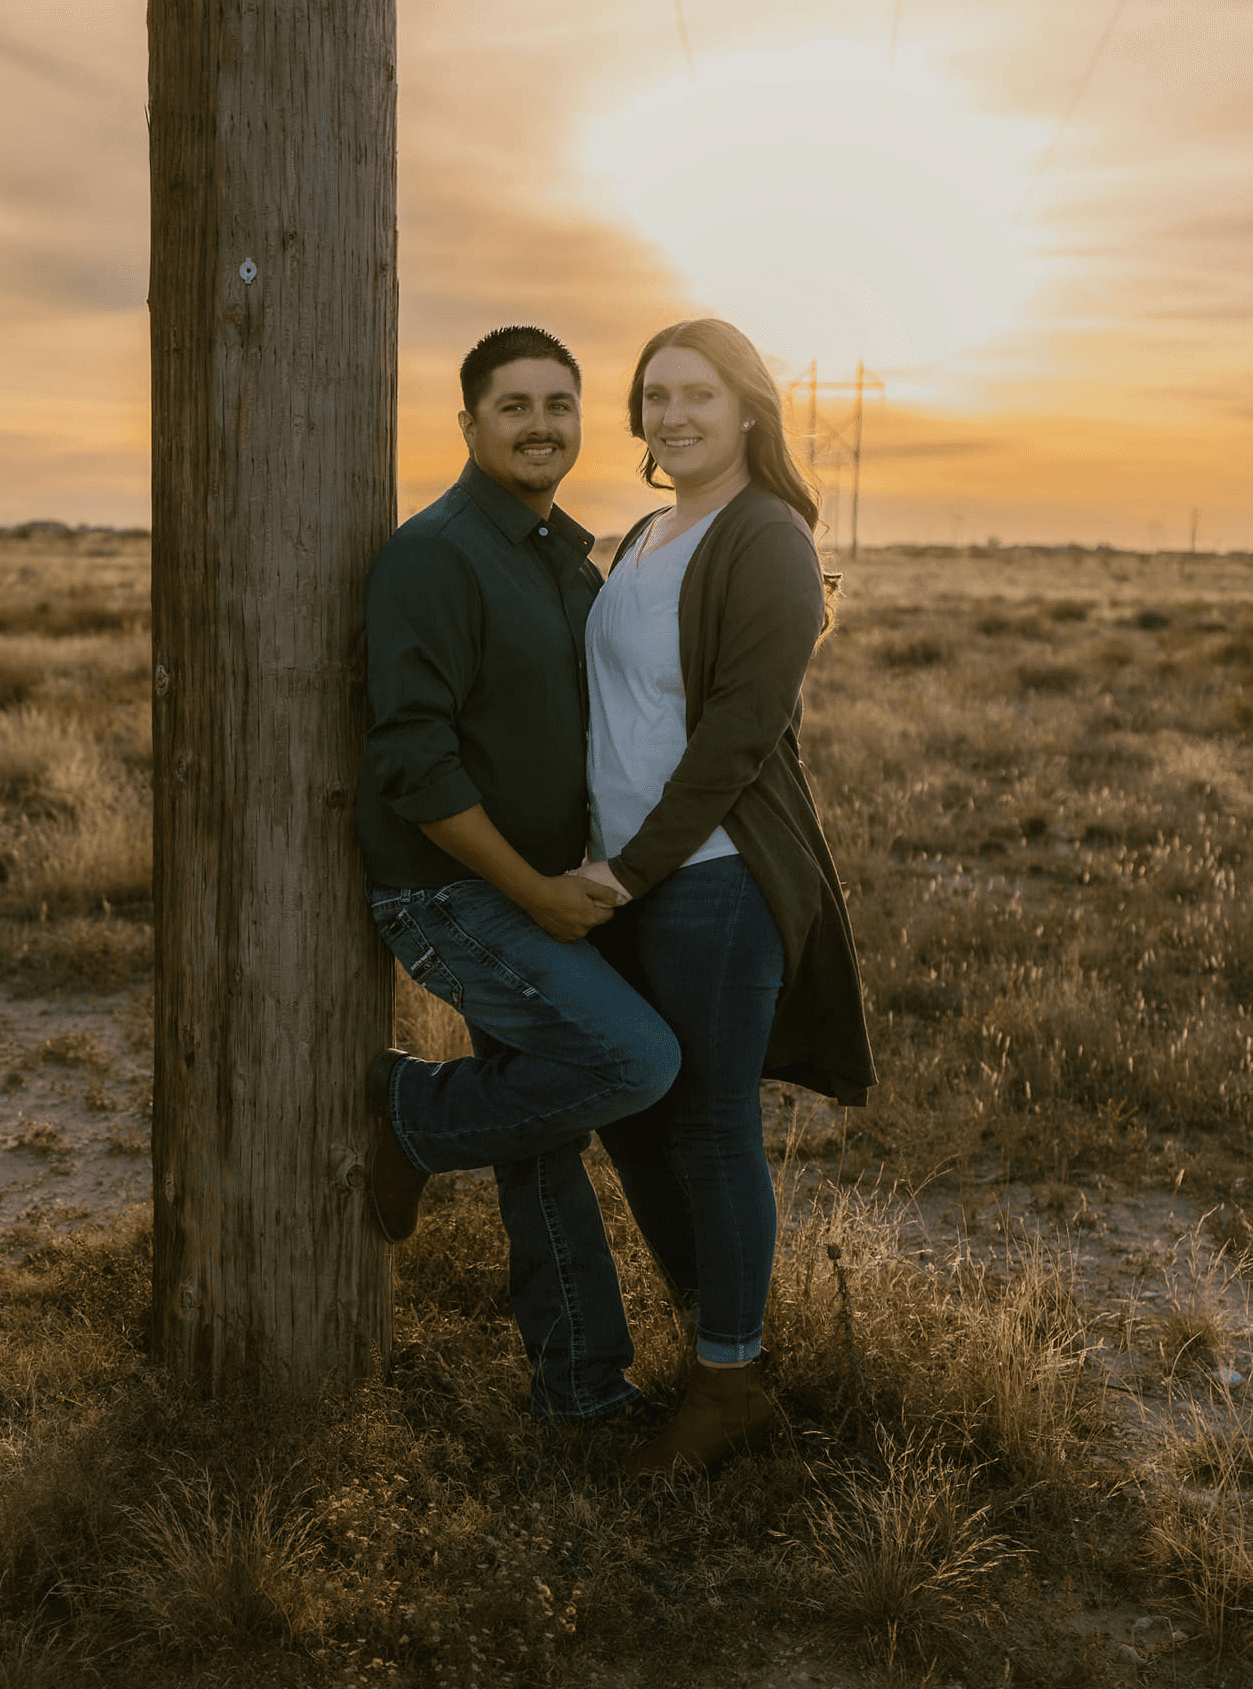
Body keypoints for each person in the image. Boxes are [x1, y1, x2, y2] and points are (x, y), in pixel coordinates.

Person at [357, 324, 680, 1427]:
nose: (541, 425)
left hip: (540, 887)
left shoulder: (560, 558)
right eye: (514, 406)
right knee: (634, 1061)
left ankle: (580, 1392)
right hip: (449, 896)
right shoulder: (436, 554)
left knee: (542, 1131)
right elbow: (413, 756)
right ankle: (411, 1113)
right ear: (468, 426)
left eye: (559, 405)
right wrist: (536, 894)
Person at [573, 317, 877, 1474]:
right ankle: (723, 1341)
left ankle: (728, 1378)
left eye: (696, 393)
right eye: (654, 396)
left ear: (748, 406)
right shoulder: (648, 532)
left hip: (711, 879)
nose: (673, 416)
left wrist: (632, 867)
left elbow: (744, 733)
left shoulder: (768, 539)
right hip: (621, 874)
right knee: (627, 1103)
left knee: (706, 1122)